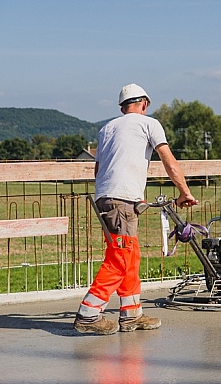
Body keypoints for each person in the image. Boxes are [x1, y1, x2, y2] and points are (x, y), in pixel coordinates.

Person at [74, 83, 197, 335]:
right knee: (120, 259)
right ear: (144, 104)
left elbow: (98, 170)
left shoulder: (106, 128)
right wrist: (185, 191)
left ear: (122, 107)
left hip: (106, 199)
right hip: (122, 201)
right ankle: (88, 315)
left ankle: (131, 315)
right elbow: (168, 160)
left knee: (130, 256)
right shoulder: (149, 124)